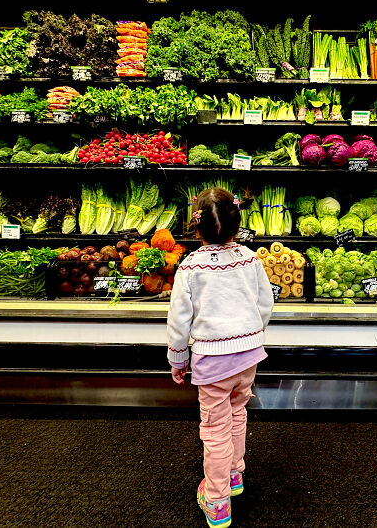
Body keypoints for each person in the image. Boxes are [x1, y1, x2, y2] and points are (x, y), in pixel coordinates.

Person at [167, 188, 275, 528]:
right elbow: (264, 304)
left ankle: (216, 500)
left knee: (214, 430)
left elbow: (179, 319)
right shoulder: (251, 259)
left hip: (212, 361)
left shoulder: (190, 267)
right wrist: (253, 332)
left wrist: (177, 358)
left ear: (196, 227)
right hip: (248, 357)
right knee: (238, 412)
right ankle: (233, 475)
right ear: (237, 224)